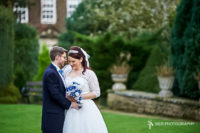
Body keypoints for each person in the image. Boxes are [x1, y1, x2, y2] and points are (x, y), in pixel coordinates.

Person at [62, 46, 108, 133]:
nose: (71, 64)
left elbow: (97, 92)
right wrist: (67, 96)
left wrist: (78, 97)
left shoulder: (89, 73)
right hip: (69, 107)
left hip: (85, 107)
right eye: (69, 61)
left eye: (73, 61)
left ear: (81, 59)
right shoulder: (66, 72)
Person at [41, 46, 80, 133]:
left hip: (57, 115)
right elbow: (55, 94)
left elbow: (61, 91)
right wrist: (70, 104)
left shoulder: (56, 71)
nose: (65, 60)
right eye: (64, 57)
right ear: (57, 57)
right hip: (53, 117)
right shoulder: (51, 73)